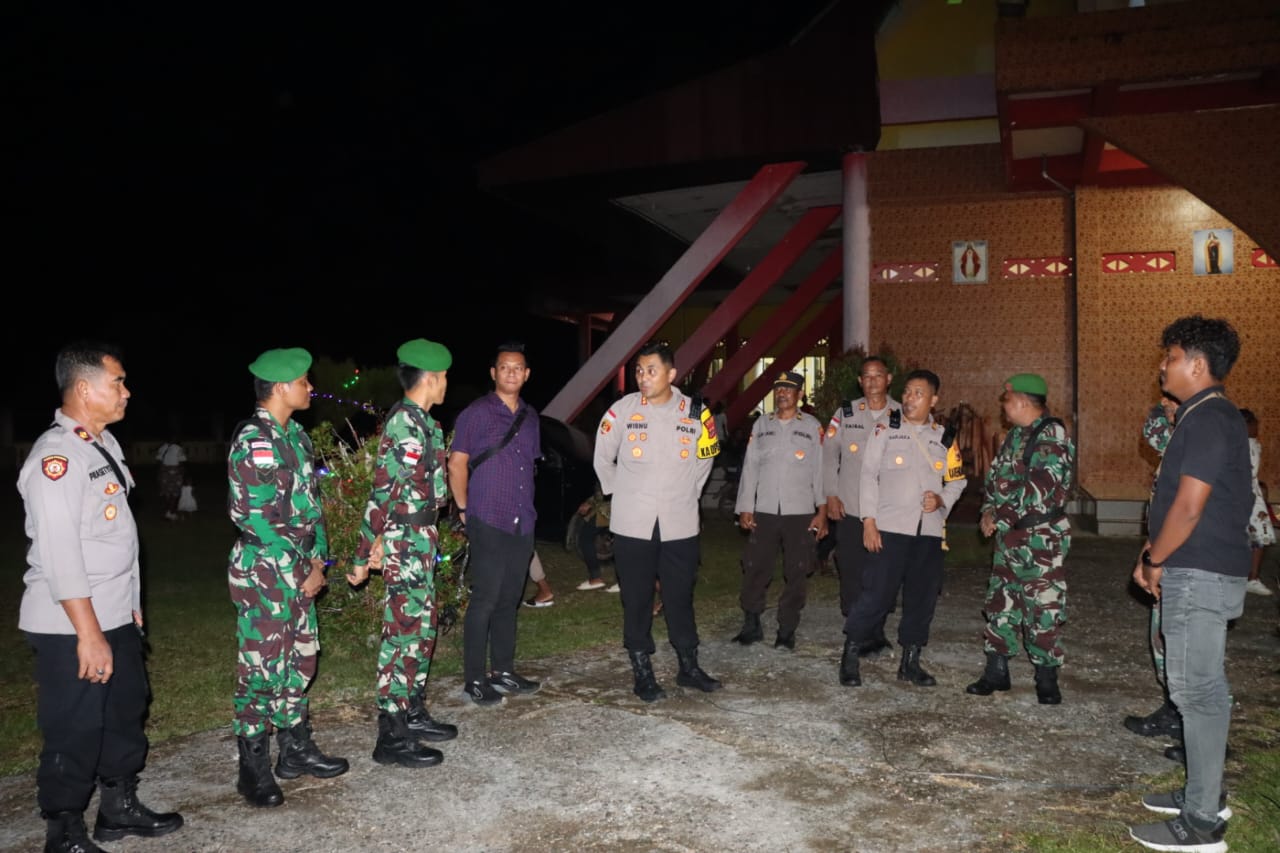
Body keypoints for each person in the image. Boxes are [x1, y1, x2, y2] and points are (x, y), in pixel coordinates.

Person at [18, 341, 184, 853]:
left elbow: (112, 541)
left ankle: (118, 808)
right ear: (85, 389)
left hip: (112, 611)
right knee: (75, 725)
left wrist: (129, 608)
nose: (126, 392)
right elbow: (63, 555)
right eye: (118, 382)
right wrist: (88, 635)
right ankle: (63, 830)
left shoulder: (101, 445)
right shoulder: (57, 458)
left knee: (123, 712)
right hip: (72, 623)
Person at [1128, 316, 1251, 853]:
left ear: (1196, 365)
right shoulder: (1208, 416)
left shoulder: (1205, 419)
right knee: (1201, 689)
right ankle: (1205, 792)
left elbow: (1189, 504)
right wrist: (1153, 553)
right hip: (1200, 567)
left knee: (1197, 693)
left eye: (1170, 356)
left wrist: (1156, 558)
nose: (1163, 364)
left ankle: (1201, 825)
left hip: (1197, 573)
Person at [227, 347, 348, 808]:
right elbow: (256, 518)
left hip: (300, 570)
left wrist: (319, 563)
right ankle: (252, 768)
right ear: (280, 387)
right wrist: (302, 570)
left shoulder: (295, 436)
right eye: (304, 381)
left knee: (300, 661)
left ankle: (294, 751)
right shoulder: (255, 441)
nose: (310, 388)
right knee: (261, 672)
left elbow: (310, 510)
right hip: (266, 574)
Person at [346, 338, 457, 769]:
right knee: (403, 633)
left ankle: (411, 709)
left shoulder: (425, 424)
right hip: (405, 540)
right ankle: (391, 734)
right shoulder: (405, 426)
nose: (447, 383)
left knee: (422, 629)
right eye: (444, 376)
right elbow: (382, 492)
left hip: (421, 538)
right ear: (429, 378)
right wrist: (363, 551)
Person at [593, 340, 722, 701]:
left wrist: (686, 494)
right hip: (633, 524)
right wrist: (625, 493)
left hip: (680, 523)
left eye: (651, 370)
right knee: (636, 598)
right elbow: (603, 457)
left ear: (671, 374)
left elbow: (706, 457)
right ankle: (642, 670)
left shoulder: (697, 412)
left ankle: (688, 666)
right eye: (639, 370)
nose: (643, 377)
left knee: (680, 596)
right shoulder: (622, 411)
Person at [839, 369, 964, 689]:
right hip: (890, 528)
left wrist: (941, 500)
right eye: (907, 392)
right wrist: (868, 520)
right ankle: (850, 656)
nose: (909, 398)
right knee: (875, 596)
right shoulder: (885, 429)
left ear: (934, 400)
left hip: (929, 533)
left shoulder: (944, 437)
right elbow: (867, 475)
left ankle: (910, 662)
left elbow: (958, 479)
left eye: (918, 393)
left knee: (921, 600)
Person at [965, 373, 1075, 705]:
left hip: (1040, 537)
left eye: (1007, 399)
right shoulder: (1015, 436)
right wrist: (988, 510)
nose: (1003, 404)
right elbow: (996, 479)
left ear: (1024, 401)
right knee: (1001, 602)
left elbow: (1040, 484)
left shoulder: (1052, 434)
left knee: (1043, 607)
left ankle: (1046, 676)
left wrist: (1001, 516)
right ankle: (996, 672)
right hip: (1010, 537)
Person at [448, 341, 543, 706]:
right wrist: (463, 509)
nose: (511, 373)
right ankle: (474, 679)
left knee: (509, 599)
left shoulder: (531, 417)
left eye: (518, 367)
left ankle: (503, 671)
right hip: (487, 516)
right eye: (504, 367)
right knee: (484, 600)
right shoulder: (476, 413)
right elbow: (457, 463)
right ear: (493, 372)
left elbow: (527, 465)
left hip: (522, 520)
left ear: (527, 374)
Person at [731, 370, 827, 650]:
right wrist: (745, 507)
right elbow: (750, 468)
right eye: (779, 389)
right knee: (754, 566)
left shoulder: (811, 426)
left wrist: (821, 512)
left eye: (789, 389)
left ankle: (787, 629)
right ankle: (752, 623)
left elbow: (819, 472)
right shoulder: (762, 424)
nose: (782, 393)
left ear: (799, 395)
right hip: (765, 510)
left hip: (800, 511)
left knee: (797, 569)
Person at [823, 354, 899, 655]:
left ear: (888, 379)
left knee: (884, 571)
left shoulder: (901, 414)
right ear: (859, 381)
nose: (871, 381)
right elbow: (829, 455)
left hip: (888, 511)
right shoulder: (845, 414)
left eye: (877, 375)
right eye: (866, 376)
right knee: (852, 570)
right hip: (851, 507)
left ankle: (876, 628)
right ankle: (856, 628)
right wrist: (830, 494)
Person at [1123, 394, 1184, 746]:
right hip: (1166, 554)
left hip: (1188, 560)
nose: (1164, 407)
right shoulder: (1175, 444)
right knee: (1163, 642)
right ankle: (1173, 711)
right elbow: (1153, 432)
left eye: (1170, 403)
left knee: (1187, 649)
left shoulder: (1200, 436)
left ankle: (1199, 734)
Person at [1240, 409, 1275, 596]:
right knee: (1256, 538)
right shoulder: (1243, 445)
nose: (1257, 428)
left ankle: (1251, 577)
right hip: (1246, 497)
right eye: (1254, 425)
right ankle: (1250, 578)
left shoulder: (1253, 444)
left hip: (1252, 496)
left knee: (1258, 538)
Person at [573, 484, 616, 592]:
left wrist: (590, 502)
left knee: (585, 537)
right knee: (623, 540)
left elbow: (607, 488)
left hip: (612, 505)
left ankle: (595, 578)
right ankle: (624, 581)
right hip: (623, 503)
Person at [154, 437, 186, 520]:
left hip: (164, 472)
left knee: (167, 493)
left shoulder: (162, 448)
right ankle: (171, 512)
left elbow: (158, 461)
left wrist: (160, 474)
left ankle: (168, 511)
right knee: (175, 493)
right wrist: (182, 474)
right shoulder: (178, 448)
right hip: (175, 472)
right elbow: (182, 462)